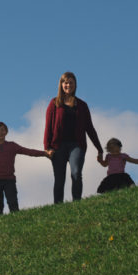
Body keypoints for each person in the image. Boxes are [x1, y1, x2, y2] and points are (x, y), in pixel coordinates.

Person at [43, 72, 103, 203]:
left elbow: (90, 128)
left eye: (71, 82)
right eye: (65, 82)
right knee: (59, 179)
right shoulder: (54, 103)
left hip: (77, 145)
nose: (68, 85)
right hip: (58, 146)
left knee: (76, 174)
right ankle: (58, 206)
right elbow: (48, 127)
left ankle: (77, 203)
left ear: (75, 85)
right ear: (61, 85)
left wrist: (99, 148)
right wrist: (47, 147)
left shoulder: (82, 105)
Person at [0, 122, 48, 215]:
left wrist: (44, 153)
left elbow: (28, 151)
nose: (0, 132)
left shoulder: (12, 146)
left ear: (6, 132)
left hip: (9, 180)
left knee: (13, 204)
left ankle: (17, 223)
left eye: (2, 130)